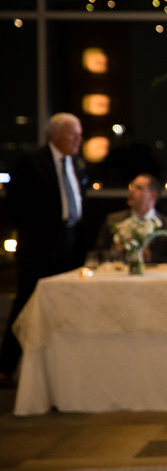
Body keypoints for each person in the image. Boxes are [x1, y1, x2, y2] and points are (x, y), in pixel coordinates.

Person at [0, 113, 87, 388]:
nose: (78, 140)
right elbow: (15, 204)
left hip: (69, 244)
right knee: (26, 303)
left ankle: (59, 365)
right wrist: (35, 232)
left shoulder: (77, 164)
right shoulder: (31, 162)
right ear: (56, 134)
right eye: (74, 134)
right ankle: (6, 367)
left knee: (66, 304)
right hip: (39, 246)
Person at [95, 173, 167, 263]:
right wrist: (115, 250)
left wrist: (151, 256)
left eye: (139, 188)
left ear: (153, 196)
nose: (132, 190)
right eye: (132, 186)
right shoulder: (114, 220)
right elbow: (99, 254)